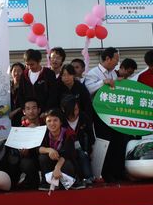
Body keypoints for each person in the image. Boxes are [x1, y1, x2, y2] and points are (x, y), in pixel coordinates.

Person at [85, 47, 122, 182]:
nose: (117, 63)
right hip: (99, 114)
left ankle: (115, 171)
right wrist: (102, 82)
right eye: (116, 59)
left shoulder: (113, 74)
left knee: (115, 142)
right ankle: (105, 173)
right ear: (107, 59)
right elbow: (88, 89)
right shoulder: (93, 73)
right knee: (104, 142)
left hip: (113, 113)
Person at [37, 109, 84, 191]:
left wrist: (57, 168)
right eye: (49, 121)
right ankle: (47, 182)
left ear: (61, 122)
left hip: (65, 162)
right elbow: (39, 148)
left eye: (55, 120)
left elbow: (67, 154)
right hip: (52, 162)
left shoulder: (68, 134)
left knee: (67, 164)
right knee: (42, 157)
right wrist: (50, 150)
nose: (52, 123)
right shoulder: (44, 133)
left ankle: (70, 182)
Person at [7, 98, 43, 189]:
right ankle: (32, 182)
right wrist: (23, 153)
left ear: (39, 110)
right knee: (24, 162)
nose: (31, 111)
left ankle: (47, 181)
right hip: (30, 159)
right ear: (24, 111)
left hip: (45, 157)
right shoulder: (20, 129)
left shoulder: (46, 125)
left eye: (34, 108)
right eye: (28, 108)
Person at [61, 95, 95, 185]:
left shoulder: (83, 117)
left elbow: (91, 135)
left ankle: (88, 177)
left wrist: (89, 150)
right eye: (73, 109)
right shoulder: (61, 119)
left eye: (77, 109)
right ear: (64, 110)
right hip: (66, 148)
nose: (76, 112)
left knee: (82, 155)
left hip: (82, 148)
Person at [9, 62, 25, 126]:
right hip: (5, 119)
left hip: (21, 118)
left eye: (19, 71)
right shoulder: (6, 86)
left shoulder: (26, 87)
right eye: (14, 70)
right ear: (11, 72)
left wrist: (14, 112)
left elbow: (26, 103)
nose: (16, 73)